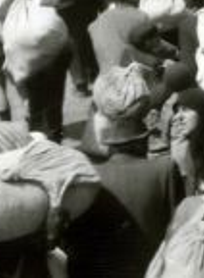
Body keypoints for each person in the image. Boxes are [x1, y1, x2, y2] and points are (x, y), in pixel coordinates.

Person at [65, 111, 184, 277]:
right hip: (150, 269)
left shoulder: (89, 175)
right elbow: (179, 225)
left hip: (101, 271)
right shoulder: (165, 169)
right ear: (142, 142)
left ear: (109, 147)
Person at [89, 0, 177, 73]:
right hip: (133, 70)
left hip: (106, 72)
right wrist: (177, 52)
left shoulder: (97, 22)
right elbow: (156, 44)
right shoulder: (139, 16)